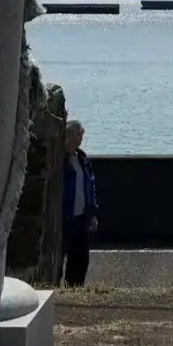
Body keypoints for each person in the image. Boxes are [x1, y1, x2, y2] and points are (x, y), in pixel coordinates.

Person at [60, 119, 99, 286]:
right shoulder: (60, 160)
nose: (80, 138)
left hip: (81, 217)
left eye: (81, 134)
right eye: (77, 134)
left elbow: (90, 186)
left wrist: (92, 214)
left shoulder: (82, 159)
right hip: (65, 218)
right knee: (60, 257)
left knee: (81, 259)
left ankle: (75, 288)